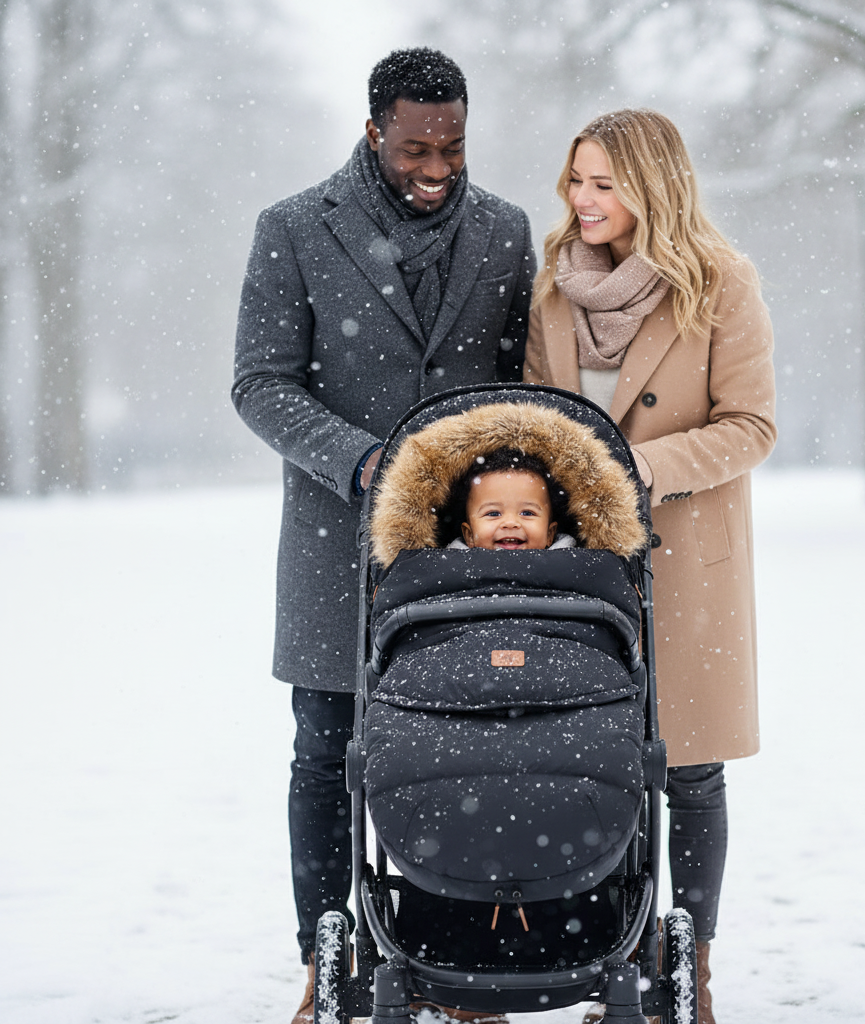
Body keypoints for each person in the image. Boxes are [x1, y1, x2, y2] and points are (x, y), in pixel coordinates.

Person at [231, 47, 536, 1024]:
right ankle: (327, 957)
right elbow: (260, 382)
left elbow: (518, 380)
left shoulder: (505, 229)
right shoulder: (291, 228)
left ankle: (456, 962)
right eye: (414, 148)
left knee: (464, 751)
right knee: (326, 752)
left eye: (451, 145)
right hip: (335, 548)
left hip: (460, 558)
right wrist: (365, 461)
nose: (436, 168)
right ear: (374, 132)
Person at [524, 108, 777, 1024]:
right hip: (579, 570)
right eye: (576, 181)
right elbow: (531, 416)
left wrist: (637, 469)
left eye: (604, 184)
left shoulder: (721, 283)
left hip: (683, 563)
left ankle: (692, 972)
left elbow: (752, 425)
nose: (583, 201)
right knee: (597, 766)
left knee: (690, 771)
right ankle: (616, 967)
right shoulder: (550, 288)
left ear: (652, 188)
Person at [452, 448, 570, 550]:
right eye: (493, 513)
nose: (510, 523)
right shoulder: (451, 571)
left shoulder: (573, 570)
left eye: (527, 513)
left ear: (549, 535)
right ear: (470, 535)